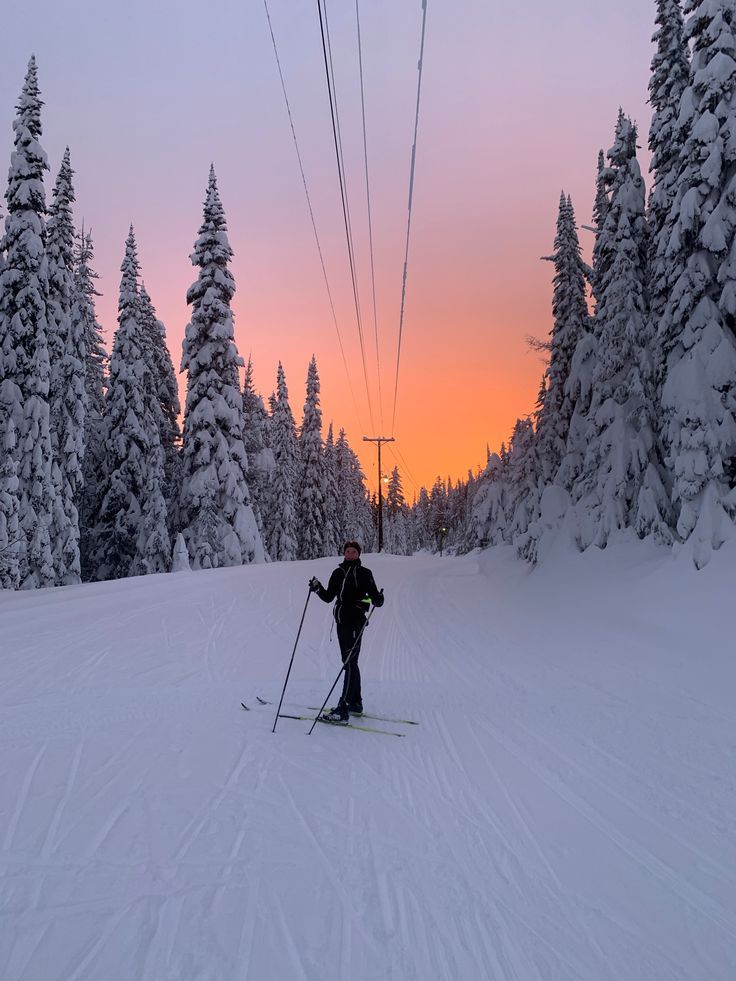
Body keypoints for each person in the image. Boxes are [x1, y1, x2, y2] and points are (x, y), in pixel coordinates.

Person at [309, 540, 384, 723]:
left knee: (349, 663)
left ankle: (343, 708)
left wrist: (379, 599)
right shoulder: (338, 573)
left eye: (354, 552)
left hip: (355, 622)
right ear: (344, 553)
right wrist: (317, 588)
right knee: (350, 662)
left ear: (359, 554)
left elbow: (375, 598)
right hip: (341, 622)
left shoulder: (365, 573)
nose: (350, 554)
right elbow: (328, 597)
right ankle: (355, 704)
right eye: (348, 551)